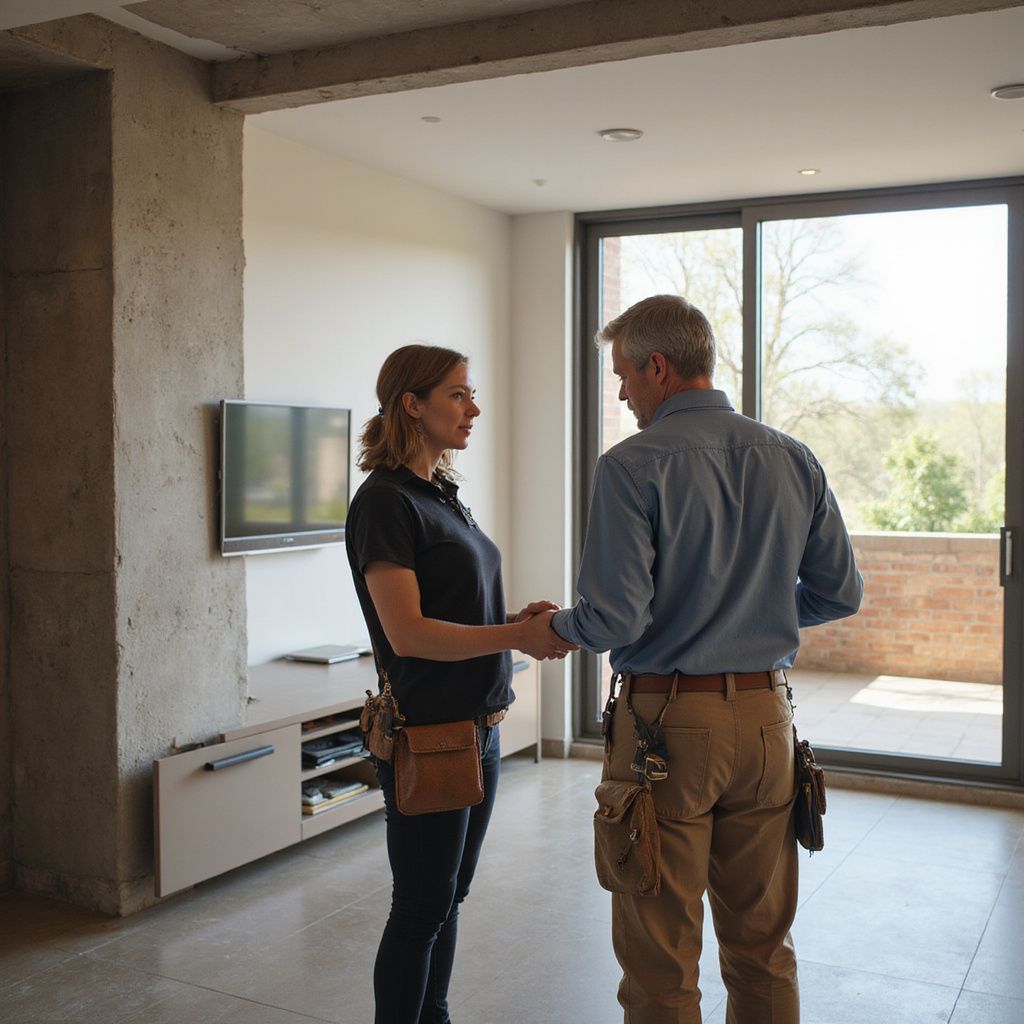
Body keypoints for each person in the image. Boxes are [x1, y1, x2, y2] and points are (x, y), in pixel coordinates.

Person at [551, 295, 863, 1024]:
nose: (623, 391)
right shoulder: (793, 455)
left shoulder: (631, 466)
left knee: (662, 962)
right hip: (767, 725)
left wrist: (553, 627)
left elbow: (613, 618)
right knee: (763, 950)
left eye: (624, 374)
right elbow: (839, 592)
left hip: (664, 727)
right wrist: (760, 615)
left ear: (658, 367)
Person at [345, 343, 576, 1024]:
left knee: (447, 899)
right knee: (420, 907)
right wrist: (514, 638)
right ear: (412, 404)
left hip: (480, 730)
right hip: (432, 735)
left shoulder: (440, 493)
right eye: (458, 394)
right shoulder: (384, 503)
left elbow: (453, 615)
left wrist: (514, 623)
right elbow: (409, 633)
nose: (473, 408)